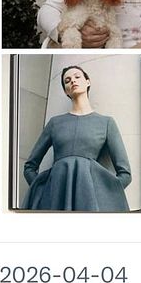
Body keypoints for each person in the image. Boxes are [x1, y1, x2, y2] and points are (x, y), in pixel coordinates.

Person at [23, 65, 131, 212]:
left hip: (90, 202)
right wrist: (43, 190)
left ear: (88, 82)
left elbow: (125, 174)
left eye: (77, 77)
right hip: (56, 200)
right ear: (66, 91)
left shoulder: (106, 123)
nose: (72, 81)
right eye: (67, 81)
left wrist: (103, 194)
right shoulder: (55, 123)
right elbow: (30, 167)